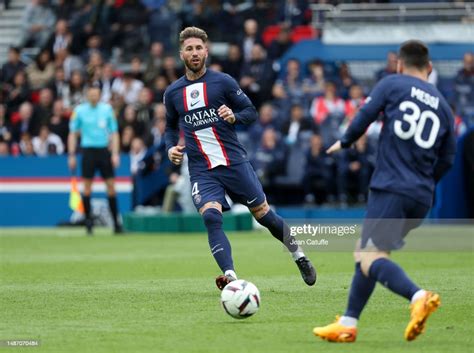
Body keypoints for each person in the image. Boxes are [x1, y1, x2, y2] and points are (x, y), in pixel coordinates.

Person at [313, 40, 456, 342]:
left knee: (369, 256)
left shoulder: (392, 83)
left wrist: (347, 141)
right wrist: (425, 182)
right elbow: (447, 160)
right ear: (429, 68)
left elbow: (365, 115)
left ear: (400, 65)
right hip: (421, 197)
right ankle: (348, 323)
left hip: (391, 187)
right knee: (368, 252)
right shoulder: (444, 106)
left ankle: (419, 296)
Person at [164, 27, 316, 290]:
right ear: (182, 54)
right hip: (202, 169)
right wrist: (170, 148)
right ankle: (231, 276)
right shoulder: (173, 93)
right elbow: (169, 127)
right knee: (211, 218)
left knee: (264, 216)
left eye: (199, 48)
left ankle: (298, 254)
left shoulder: (223, 82)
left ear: (206, 51)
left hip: (234, 162)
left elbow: (251, 111)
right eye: (189, 49)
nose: (195, 53)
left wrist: (234, 117)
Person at [67, 85, 123, 235]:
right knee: (86, 188)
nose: (93, 97)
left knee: (111, 187)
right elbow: (72, 133)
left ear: (99, 95)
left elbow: (115, 132)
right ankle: (88, 224)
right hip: (88, 151)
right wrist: (71, 154)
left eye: (96, 94)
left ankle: (117, 224)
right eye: (91, 95)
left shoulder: (106, 110)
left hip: (103, 151)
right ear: (87, 95)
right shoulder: (79, 111)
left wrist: (115, 153)